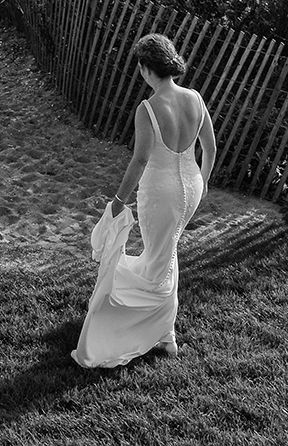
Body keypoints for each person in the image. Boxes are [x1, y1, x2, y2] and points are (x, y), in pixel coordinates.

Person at [72, 33, 215, 368]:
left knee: (157, 263)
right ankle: (166, 333)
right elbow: (210, 148)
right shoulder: (194, 97)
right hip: (190, 188)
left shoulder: (148, 108)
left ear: (148, 69)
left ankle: (162, 333)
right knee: (166, 255)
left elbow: (139, 160)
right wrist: (203, 183)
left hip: (160, 195)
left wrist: (119, 201)